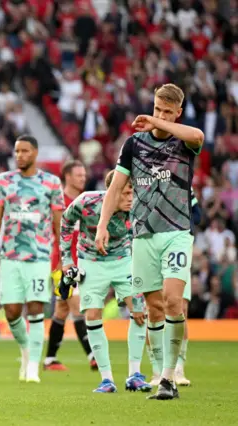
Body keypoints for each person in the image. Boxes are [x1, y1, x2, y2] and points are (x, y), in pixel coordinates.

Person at [96, 83, 204, 400]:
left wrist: (159, 124)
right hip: (143, 235)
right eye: (157, 109)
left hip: (176, 231)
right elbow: (116, 188)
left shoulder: (184, 142)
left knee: (173, 301)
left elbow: (197, 136)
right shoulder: (134, 144)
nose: (159, 115)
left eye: (167, 112)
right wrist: (102, 225)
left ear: (177, 114)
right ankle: (159, 371)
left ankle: (170, 377)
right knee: (154, 308)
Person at [60, 170, 151, 393]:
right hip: (91, 261)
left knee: (139, 311)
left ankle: (134, 375)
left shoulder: (139, 207)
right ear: (114, 191)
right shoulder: (86, 202)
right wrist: (66, 261)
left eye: (133, 193)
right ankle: (106, 379)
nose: (131, 198)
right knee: (91, 314)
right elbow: (66, 222)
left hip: (124, 260)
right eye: (127, 193)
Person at [0, 135, 64, 383]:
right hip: (10, 255)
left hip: (40, 256)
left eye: (25, 151)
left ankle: (32, 367)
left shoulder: (51, 182)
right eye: (17, 151)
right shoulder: (3, 181)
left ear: (35, 153)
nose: (20, 155)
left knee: (36, 307)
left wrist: (61, 254)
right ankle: (26, 348)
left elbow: (58, 222)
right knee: (11, 311)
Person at [147, 188, 201, 386]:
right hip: (152, 246)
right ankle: (156, 369)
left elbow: (198, 215)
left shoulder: (184, 184)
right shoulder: (146, 178)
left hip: (176, 247)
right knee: (153, 308)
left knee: (180, 308)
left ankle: (178, 367)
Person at [46, 159, 96, 371]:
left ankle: (49, 359)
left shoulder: (86, 202)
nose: (83, 178)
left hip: (83, 260)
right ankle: (93, 356)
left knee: (62, 310)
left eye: (84, 175)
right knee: (77, 306)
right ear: (67, 176)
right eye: (78, 175)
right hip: (63, 264)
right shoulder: (59, 202)